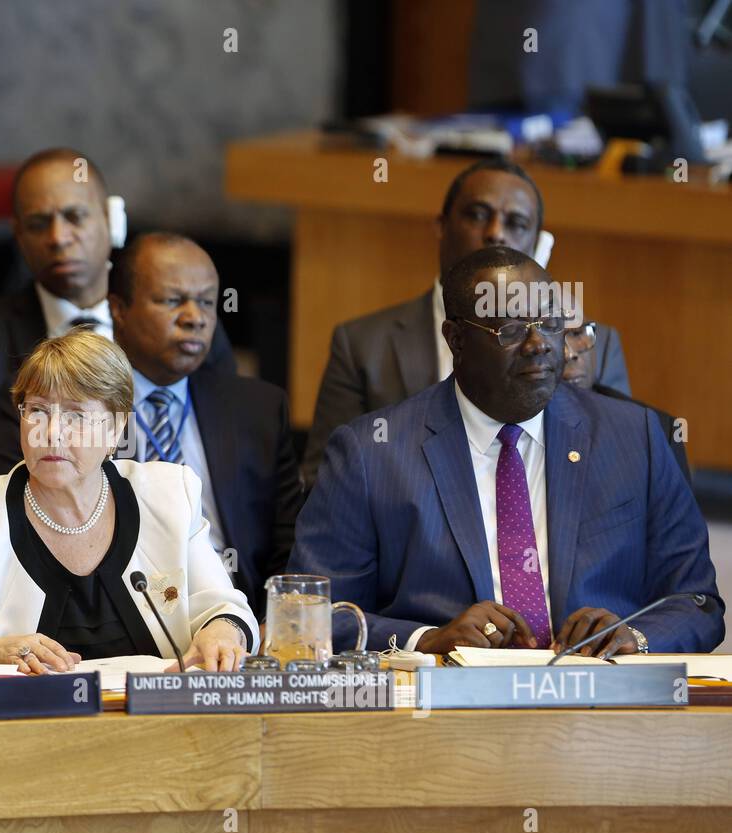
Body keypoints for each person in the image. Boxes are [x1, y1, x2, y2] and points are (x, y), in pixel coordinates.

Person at [290, 246, 722, 657]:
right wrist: (426, 639)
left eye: (551, 323)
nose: (539, 344)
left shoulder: (635, 437)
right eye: (511, 330)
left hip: (601, 703)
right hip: (445, 710)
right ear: (455, 339)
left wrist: (636, 638)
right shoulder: (371, 453)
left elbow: (697, 600)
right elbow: (307, 614)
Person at [0, 331, 258, 673]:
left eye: (76, 415)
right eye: (37, 411)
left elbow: (225, 609)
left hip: (154, 723)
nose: (52, 433)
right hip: (21, 730)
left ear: (116, 429)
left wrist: (222, 632)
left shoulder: (170, 497)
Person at [0, 147, 233, 516]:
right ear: (18, 236)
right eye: (39, 223)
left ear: (110, 221)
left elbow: (228, 448)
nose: (59, 237)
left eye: (75, 217)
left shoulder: (177, 321)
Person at [301, 157, 631, 491]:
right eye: (477, 215)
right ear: (441, 226)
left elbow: (622, 477)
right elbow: (325, 486)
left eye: (516, 223)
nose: (496, 233)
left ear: (537, 245)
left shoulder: (592, 345)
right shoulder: (363, 345)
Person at [109, 232, 301, 616]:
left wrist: (268, 624)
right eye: (171, 301)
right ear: (118, 309)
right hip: (115, 619)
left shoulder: (258, 409)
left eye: (206, 303)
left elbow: (291, 547)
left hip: (233, 618)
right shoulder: (74, 407)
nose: (194, 318)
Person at [561, 318, 691, 482]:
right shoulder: (521, 432)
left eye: (578, 334)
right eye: (556, 338)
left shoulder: (659, 432)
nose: (570, 354)